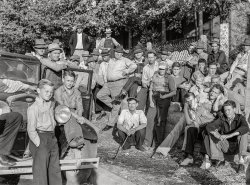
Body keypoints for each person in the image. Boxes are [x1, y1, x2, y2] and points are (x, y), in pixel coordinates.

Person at [153, 84, 226, 158]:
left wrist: (218, 98)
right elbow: (192, 104)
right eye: (212, 91)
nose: (212, 93)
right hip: (193, 119)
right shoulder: (203, 98)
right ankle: (162, 150)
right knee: (181, 123)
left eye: (215, 93)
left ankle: (163, 151)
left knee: (184, 123)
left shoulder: (219, 104)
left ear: (219, 95)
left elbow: (216, 110)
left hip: (201, 126)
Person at [27, 79, 62, 185]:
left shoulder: (51, 104)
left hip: (52, 137)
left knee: (54, 169)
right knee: (40, 172)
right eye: (46, 91)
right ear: (38, 90)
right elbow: (31, 129)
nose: (49, 94)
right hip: (40, 137)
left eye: (51, 92)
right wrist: (38, 143)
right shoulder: (33, 108)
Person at [97, 46, 137, 131]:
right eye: (116, 52)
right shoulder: (111, 60)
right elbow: (103, 58)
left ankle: (110, 123)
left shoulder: (124, 60)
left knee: (116, 104)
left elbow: (134, 65)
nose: (118, 54)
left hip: (118, 83)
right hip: (108, 83)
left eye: (119, 53)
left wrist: (127, 71)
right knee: (100, 95)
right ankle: (117, 108)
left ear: (122, 53)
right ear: (114, 52)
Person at [206, 100, 249, 169]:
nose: (227, 112)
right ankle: (219, 159)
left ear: (234, 109)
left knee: (243, 133)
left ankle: (241, 161)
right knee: (211, 133)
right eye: (225, 110)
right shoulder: (222, 118)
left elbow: (245, 128)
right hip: (225, 145)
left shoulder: (240, 118)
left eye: (229, 110)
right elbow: (209, 126)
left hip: (237, 146)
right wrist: (216, 134)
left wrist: (229, 135)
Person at [180, 92, 216, 166]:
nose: (189, 102)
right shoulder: (190, 110)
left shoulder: (201, 106)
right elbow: (189, 122)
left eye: (190, 100)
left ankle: (206, 159)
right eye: (187, 101)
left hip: (208, 127)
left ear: (195, 99)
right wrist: (185, 109)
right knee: (190, 129)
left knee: (203, 129)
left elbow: (212, 117)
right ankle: (189, 157)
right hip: (199, 127)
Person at [146, 65, 176, 147]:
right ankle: (147, 142)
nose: (162, 70)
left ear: (166, 69)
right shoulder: (154, 75)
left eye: (163, 68)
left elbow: (173, 92)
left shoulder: (169, 78)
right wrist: (151, 101)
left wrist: (164, 97)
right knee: (150, 118)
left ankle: (159, 143)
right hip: (154, 97)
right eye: (160, 68)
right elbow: (150, 89)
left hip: (164, 97)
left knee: (160, 121)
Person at [54, 70, 85, 148]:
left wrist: (79, 116)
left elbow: (79, 106)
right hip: (61, 112)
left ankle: (79, 138)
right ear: (63, 80)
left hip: (73, 112)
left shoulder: (77, 92)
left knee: (77, 114)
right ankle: (72, 139)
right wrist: (76, 116)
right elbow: (63, 108)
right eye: (68, 80)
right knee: (68, 116)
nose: (69, 83)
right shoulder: (58, 91)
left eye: (72, 81)